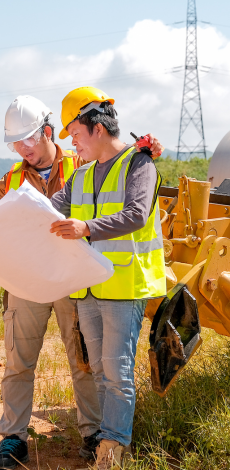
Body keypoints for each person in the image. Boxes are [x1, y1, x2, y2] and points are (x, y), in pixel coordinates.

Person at [0, 95, 164, 470]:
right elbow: (24, 214)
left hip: (97, 282)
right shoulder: (36, 176)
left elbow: (135, 206)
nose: (22, 148)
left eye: (27, 139)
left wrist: (148, 152)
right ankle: (24, 438)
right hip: (54, 284)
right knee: (39, 364)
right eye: (15, 143)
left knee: (96, 365)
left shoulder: (101, 161)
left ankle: (102, 440)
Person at [50, 86, 167, 470]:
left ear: (97, 128)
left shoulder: (139, 165)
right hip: (88, 288)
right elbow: (46, 209)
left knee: (117, 370)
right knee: (99, 368)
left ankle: (114, 451)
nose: (73, 145)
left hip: (123, 286)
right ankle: (106, 438)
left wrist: (86, 226)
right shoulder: (81, 176)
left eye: (76, 135)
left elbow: (136, 213)